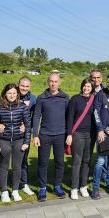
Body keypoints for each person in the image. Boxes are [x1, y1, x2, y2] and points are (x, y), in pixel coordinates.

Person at [0, 76, 36, 201]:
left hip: (19, 141)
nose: (12, 95)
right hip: (4, 141)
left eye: (14, 93)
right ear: (5, 93)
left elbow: (28, 124)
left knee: (17, 166)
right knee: (3, 166)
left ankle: (15, 191)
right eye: (9, 93)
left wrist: (26, 142)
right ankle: (3, 191)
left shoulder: (22, 106)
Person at [33, 73, 69, 202]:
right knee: (43, 163)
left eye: (56, 81)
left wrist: (69, 134)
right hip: (45, 135)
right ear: (48, 82)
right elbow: (36, 116)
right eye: (51, 81)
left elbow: (68, 117)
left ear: (59, 82)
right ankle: (42, 187)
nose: (53, 84)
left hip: (60, 135)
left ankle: (57, 186)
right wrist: (35, 135)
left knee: (59, 162)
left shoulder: (65, 97)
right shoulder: (41, 98)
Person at [66, 79, 95, 200]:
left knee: (86, 161)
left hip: (90, 134)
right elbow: (70, 117)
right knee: (77, 161)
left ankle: (83, 186)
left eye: (88, 86)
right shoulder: (75, 99)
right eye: (84, 86)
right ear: (81, 86)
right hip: (77, 133)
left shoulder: (94, 99)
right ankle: (74, 188)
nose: (86, 88)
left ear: (92, 88)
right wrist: (69, 134)